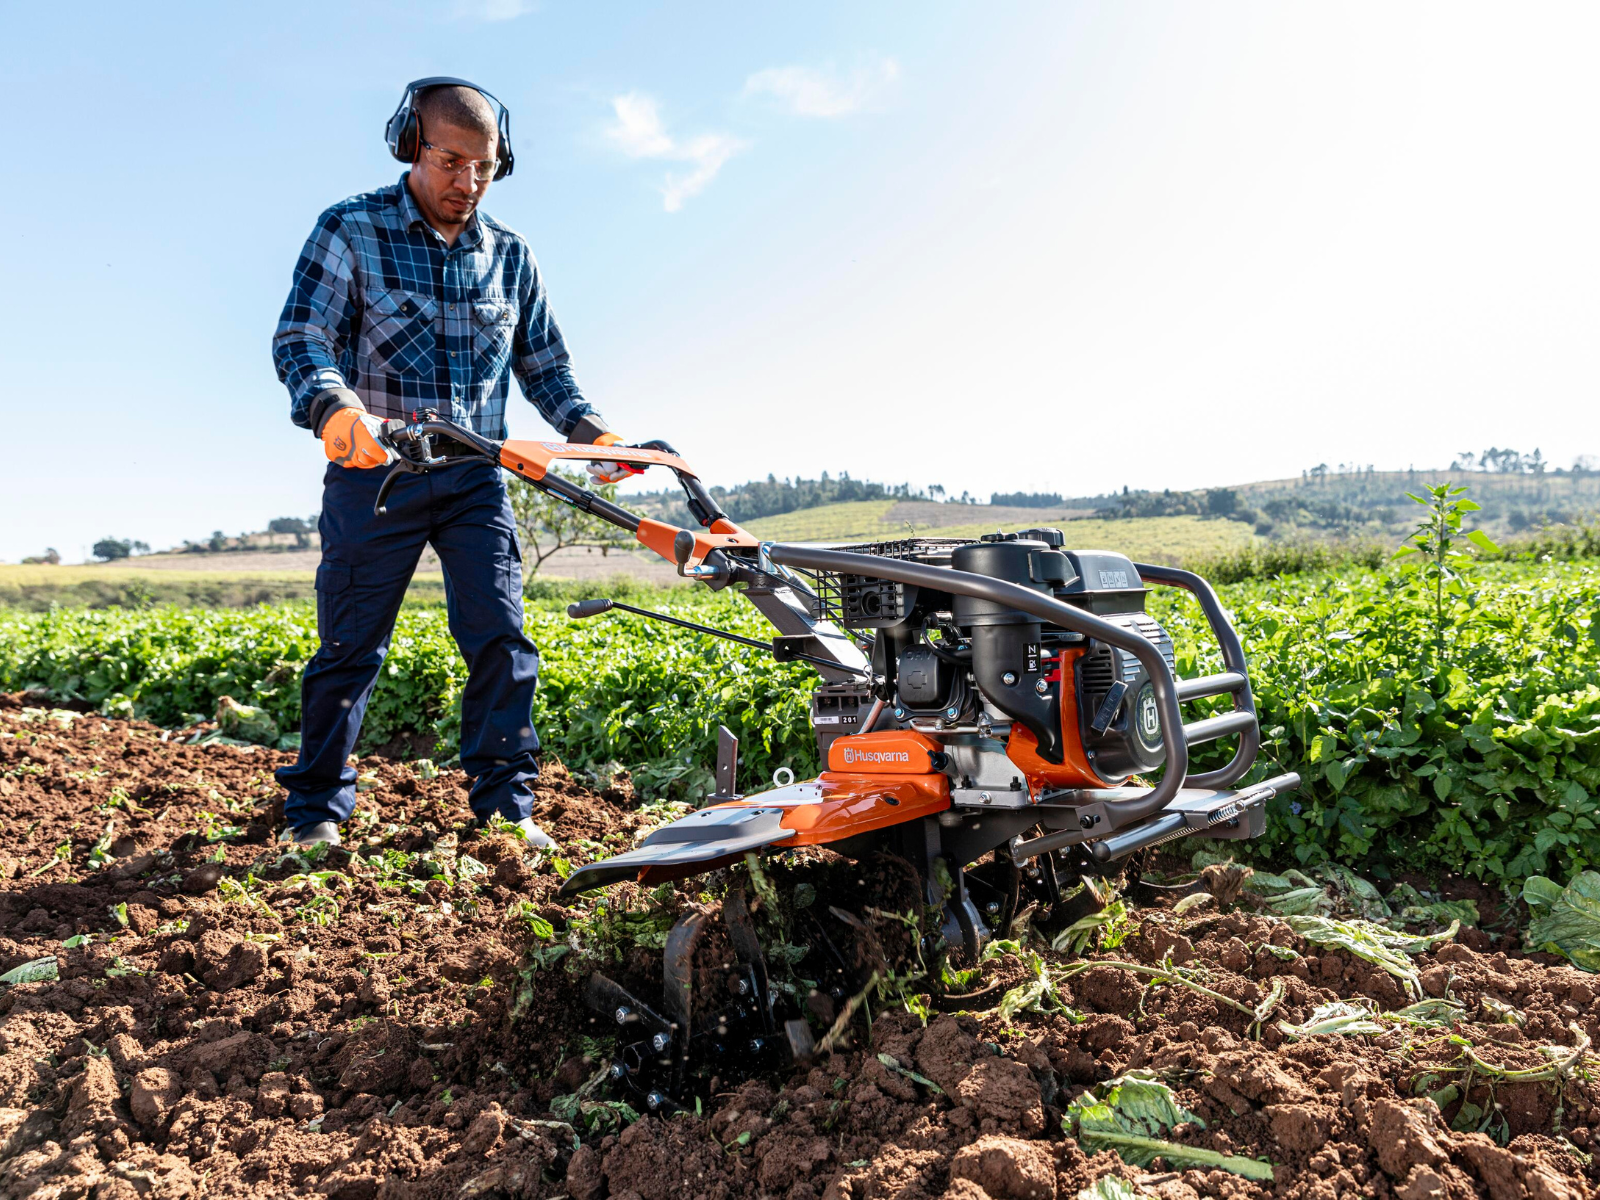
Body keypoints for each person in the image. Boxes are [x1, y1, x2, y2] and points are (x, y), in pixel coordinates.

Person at [270, 77, 647, 849]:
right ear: (412, 146)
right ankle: (315, 817)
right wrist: (334, 409)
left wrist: (598, 437)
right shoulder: (351, 229)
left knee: (501, 640)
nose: (468, 182)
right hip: (377, 474)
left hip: (475, 475)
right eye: (451, 162)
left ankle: (507, 810)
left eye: (485, 166)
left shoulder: (510, 256)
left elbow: (547, 371)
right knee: (349, 648)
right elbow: (302, 337)